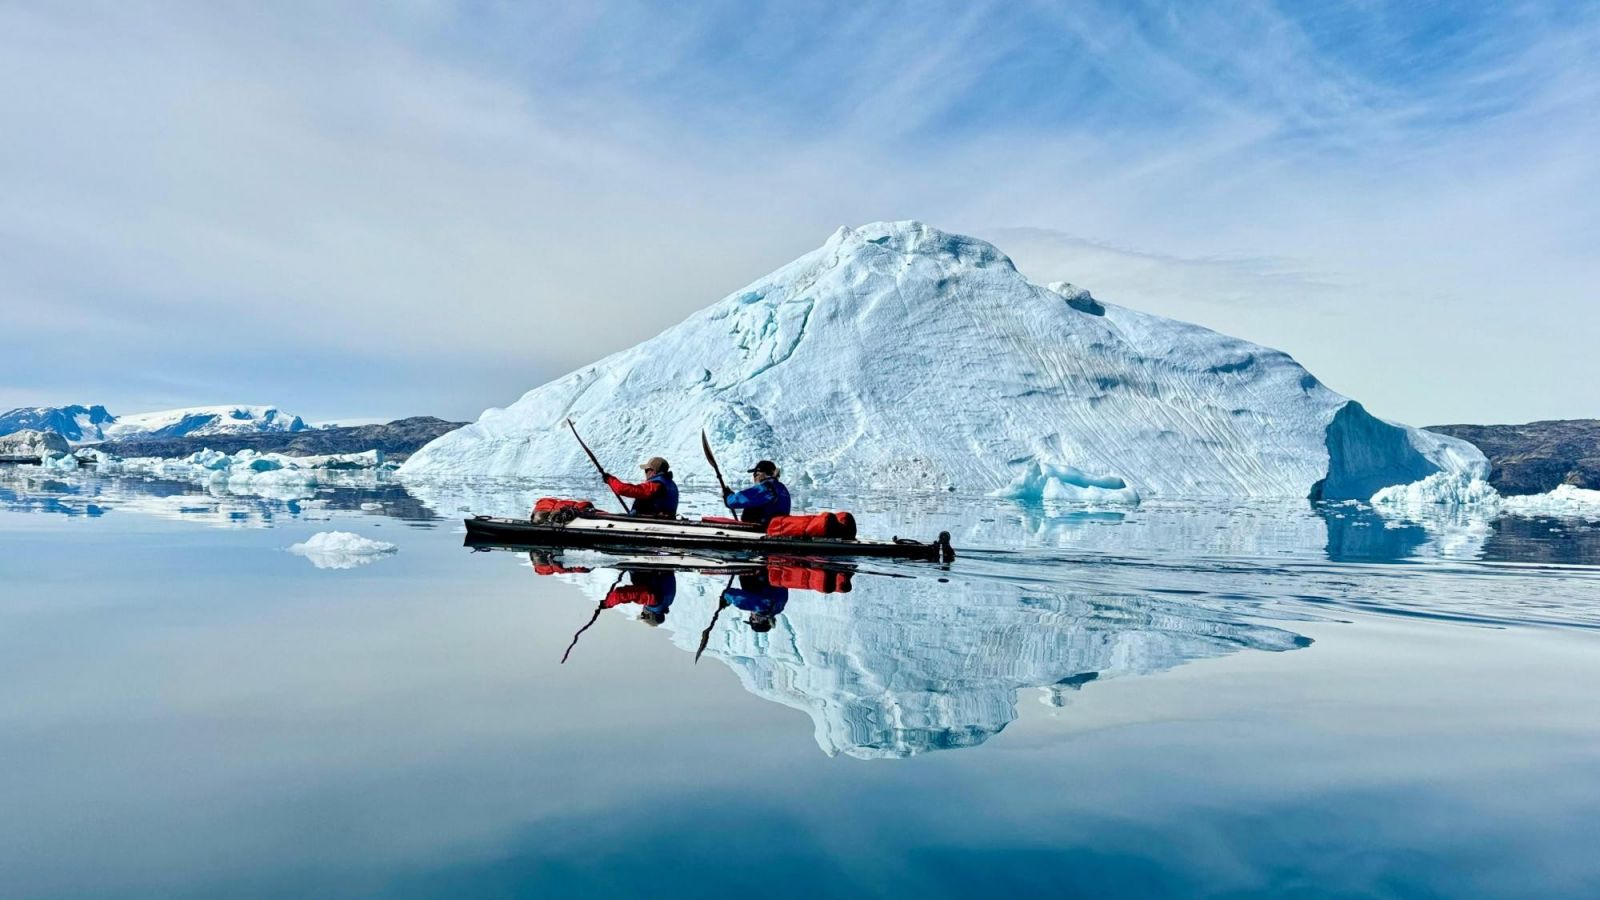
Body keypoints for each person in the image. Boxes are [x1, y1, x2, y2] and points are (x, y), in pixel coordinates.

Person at [604, 456, 679, 518]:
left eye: (647, 470)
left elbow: (622, 489)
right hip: (665, 519)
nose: (645, 473)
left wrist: (610, 480)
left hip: (652, 522)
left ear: (653, 471)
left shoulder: (656, 486)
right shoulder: (671, 484)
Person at [723, 459, 791, 527]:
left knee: (750, 506)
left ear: (759, 474)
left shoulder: (766, 487)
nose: (754, 477)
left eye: (755, 475)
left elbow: (738, 500)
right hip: (778, 526)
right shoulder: (782, 487)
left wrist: (728, 496)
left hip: (764, 527)